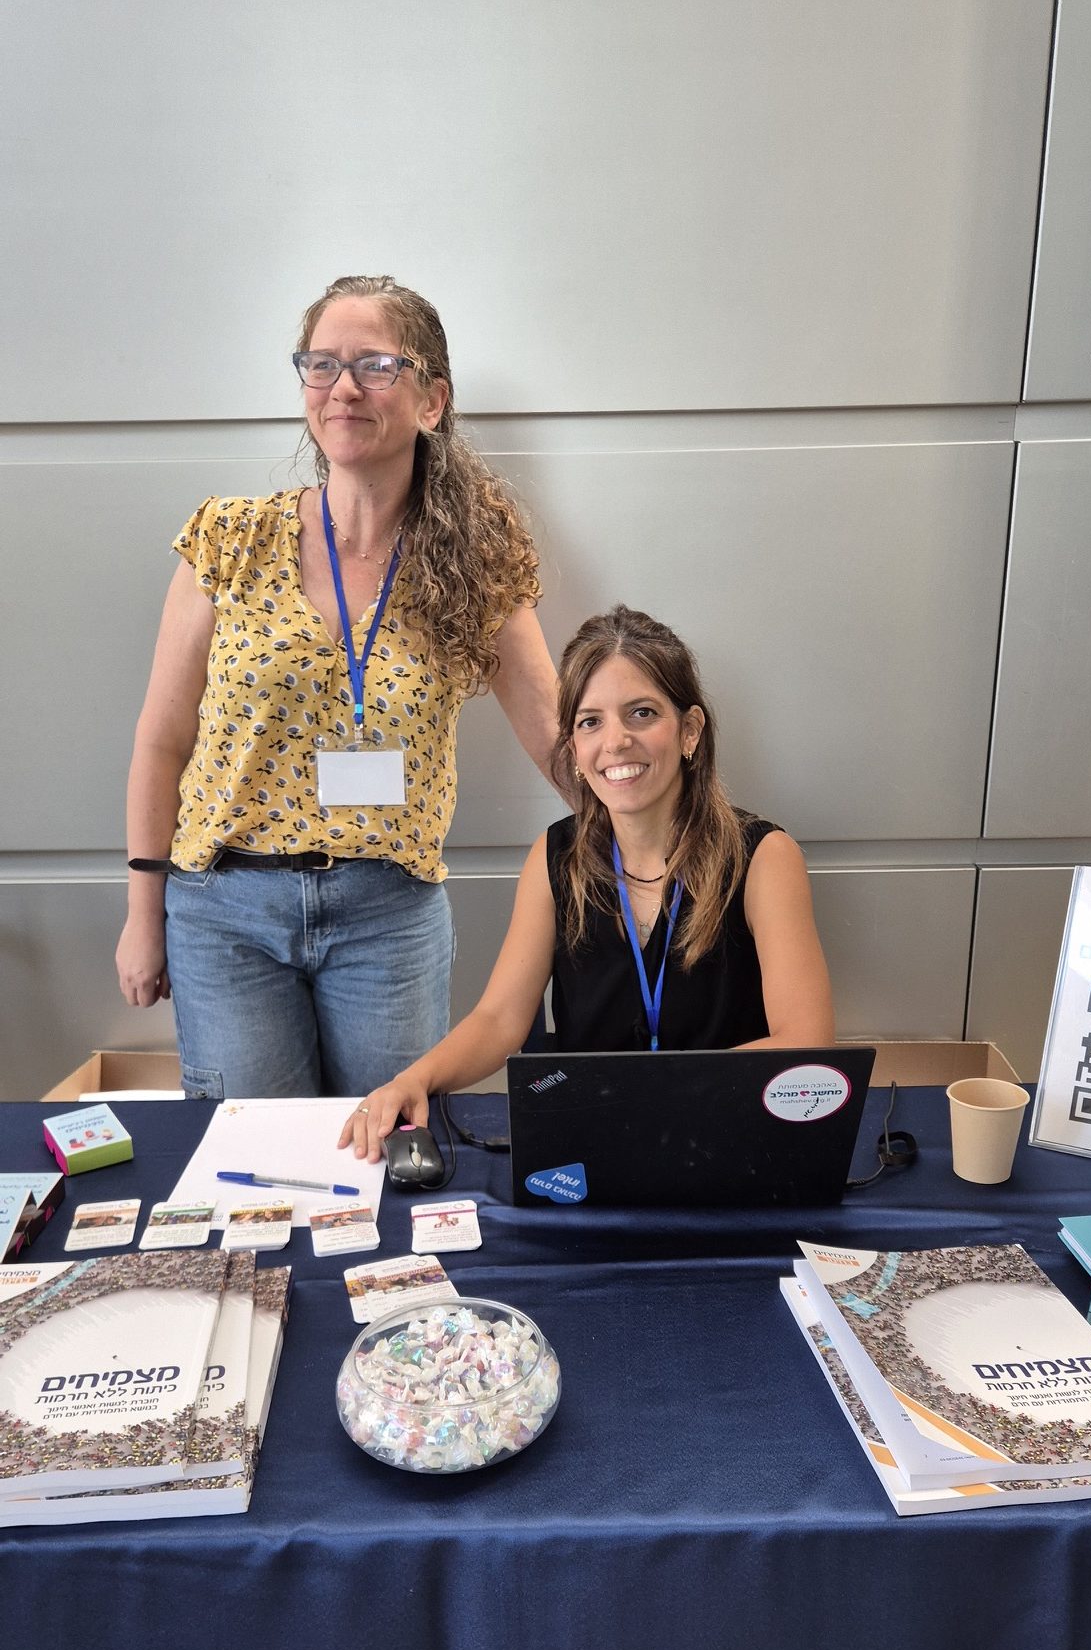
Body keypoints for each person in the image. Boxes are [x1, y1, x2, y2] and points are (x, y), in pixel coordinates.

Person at [116, 273, 561, 1098]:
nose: (344, 388)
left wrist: (667, 845)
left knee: (388, 1148)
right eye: (321, 365)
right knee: (253, 1157)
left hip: (388, 913)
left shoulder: (475, 559)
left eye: (375, 365)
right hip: (227, 910)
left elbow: (556, 737)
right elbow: (161, 739)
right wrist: (144, 916)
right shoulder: (230, 539)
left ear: (432, 401)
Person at [342, 604, 834, 1160]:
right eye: (590, 721)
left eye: (642, 713)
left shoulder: (764, 856)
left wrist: (658, 1095)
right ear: (574, 748)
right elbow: (499, 1019)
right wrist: (415, 1078)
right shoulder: (554, 856)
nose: (615, 741)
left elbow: (806, 1039)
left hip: (730, 1141)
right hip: (595, 1147)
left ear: (690, 730)